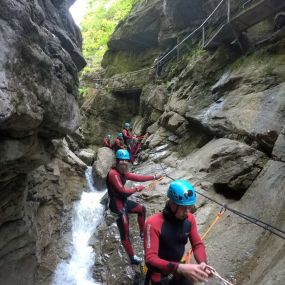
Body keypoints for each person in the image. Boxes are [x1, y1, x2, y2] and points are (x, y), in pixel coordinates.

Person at [144, 180, 211, 285]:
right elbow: (150, 259)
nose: (187, 212)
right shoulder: (153, 223)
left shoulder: (189, 219)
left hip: (178, 268)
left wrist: (203, 263)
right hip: (160, 274)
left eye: (189, 207)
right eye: (184, 207)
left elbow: (197, 245)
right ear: (172, 204)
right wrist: (179, 267)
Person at [106, 149, 162, 265]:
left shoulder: (122, 172)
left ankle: (142, 232)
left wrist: (154, 177)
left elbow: (137, 177)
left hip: (123, 202)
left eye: (126, 160)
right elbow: (122, 192)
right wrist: (136, 189)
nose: (124, 162)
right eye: (121, 160)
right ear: (116, 161)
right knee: (125, 234)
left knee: (141, 209)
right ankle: (132, 257)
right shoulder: (113, 174)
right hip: (117, 207)